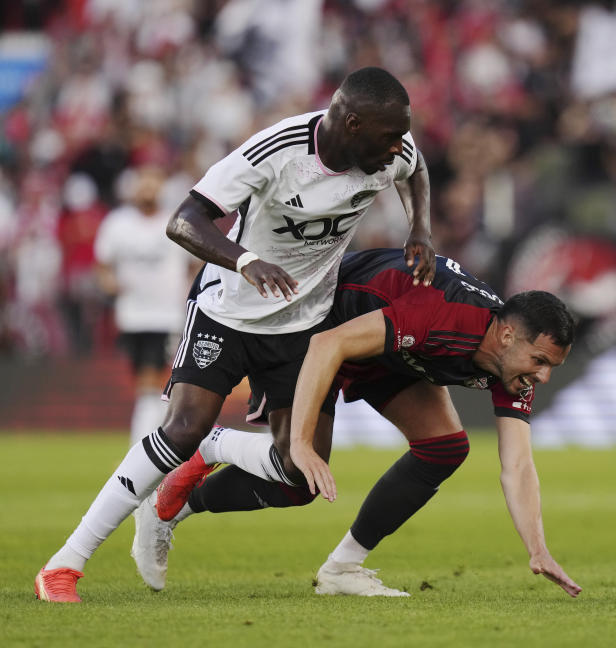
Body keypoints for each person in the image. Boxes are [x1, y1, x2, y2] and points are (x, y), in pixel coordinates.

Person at [35, 67, 436, 603]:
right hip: (227, 312)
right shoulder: (278, 150)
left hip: (305, 327)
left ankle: (183, 486)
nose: (397, 148)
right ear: (353, 123)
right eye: (389, 137)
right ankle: (65, 565)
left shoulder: (391, 150)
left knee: (300, 476)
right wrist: (246, 260)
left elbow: (415, 171)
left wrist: (421, 230)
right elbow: (184, 220)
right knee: (179, 430)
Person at [135, 248, 582, 598]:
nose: (541, 376)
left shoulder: (513, 365)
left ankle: (343, 569)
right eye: (539, 361)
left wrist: (537, 549)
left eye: (550, 368)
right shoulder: (443, 314)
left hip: (382, 350)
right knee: (298, 479)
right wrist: (303, 445)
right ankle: (199, 462)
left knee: (444, 447)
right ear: (507, 335)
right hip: (315, 326)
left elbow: (518, 465)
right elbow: (330, 345)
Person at [94, 166, 194, 447]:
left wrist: (188, 295)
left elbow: (194, 265)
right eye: (143, 183)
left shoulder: (175, 222)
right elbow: (102, 265)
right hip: (131, 316)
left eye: (153, 183)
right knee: (145, 382)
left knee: (153, 381)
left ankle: (141, 446)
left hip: (166, 316)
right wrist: (109, 283)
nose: (147, 189)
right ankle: (155, 443)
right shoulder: (117, 224)